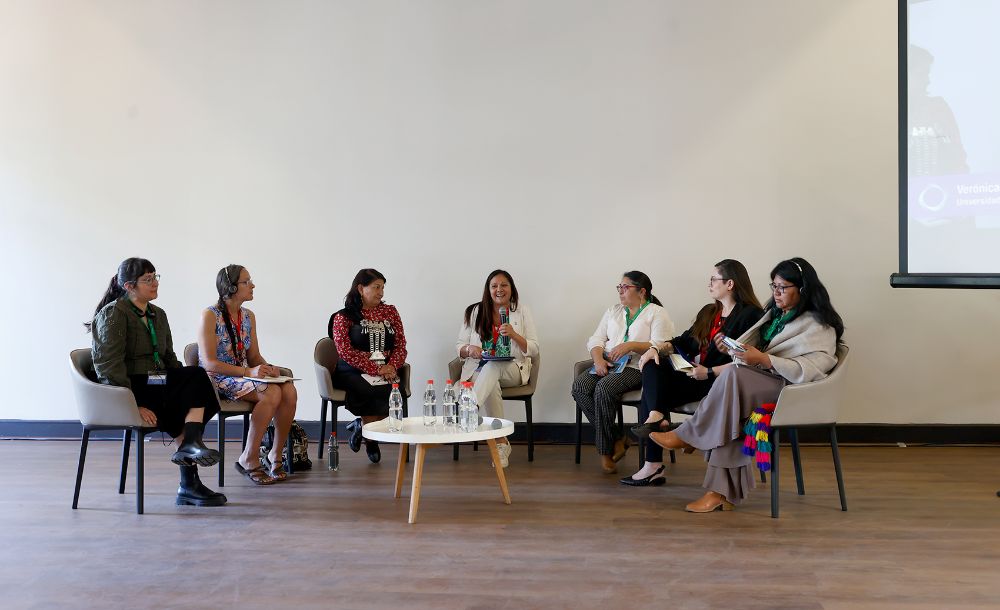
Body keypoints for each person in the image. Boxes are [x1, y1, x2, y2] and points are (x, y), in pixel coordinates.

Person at [649, 257, 844, 513]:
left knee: (732, 379)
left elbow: (814, 368)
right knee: (731, 410)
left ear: (803, 289)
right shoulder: (775, 316)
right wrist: (733, 348)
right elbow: (754, 351)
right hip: (757, 380)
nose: (776, 292)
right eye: (773, 286)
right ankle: (719, 493)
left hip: (789, 391)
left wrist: (763, 358)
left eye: (782, 287)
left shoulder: (819, 325)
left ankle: (689, 435)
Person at [88, 258, 226, 507]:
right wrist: (130, 406)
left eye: (155, 277)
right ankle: (189, 473)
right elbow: (108, 366)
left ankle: (190, 461)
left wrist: (182, 384)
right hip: (132, 385)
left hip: (155, 380)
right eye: (147, 280)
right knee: (193, 381)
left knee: (194, 380)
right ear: (129, 286)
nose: (154, 284)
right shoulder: (114, 314)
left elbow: (169, 358)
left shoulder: (157, 314)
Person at [622, 259, 763, 487]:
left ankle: (653, 464)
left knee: (654, 393)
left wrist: (707, 372)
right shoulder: (710, 312)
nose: (709, 284)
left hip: (720, 381)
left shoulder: (751, 315)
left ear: (730, 284)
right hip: (695, 375)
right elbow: (683, 342)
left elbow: (748, 361)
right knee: (652, 365)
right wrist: (655, 348)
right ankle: (657, 418)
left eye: (713, 279)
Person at [197, 265, 298, 485]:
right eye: (247, 281)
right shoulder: (209, 315)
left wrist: (268, 368)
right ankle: (249, 458)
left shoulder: (248, 316)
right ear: (232, 287)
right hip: (216, 379)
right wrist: (247, 372)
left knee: (288, 389)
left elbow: (253, 356)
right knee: (270, 393)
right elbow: (209, 362)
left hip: (243, 375)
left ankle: (274, 455)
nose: (252, 285)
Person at [571, 271, 674, 474]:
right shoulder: (613, 311)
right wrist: (598, 359)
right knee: (580, 387)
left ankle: (605, 451)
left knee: (603, 388)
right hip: (608, 362)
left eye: (625, 287)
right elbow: (596, 339)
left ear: (641, 291)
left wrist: (631, 345)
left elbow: (663, 345)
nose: (620, 291)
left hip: (636, 366)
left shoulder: (656, 312)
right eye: (619, 287)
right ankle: (618, 438)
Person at [456, 270, 540, 468]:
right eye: (494, 286)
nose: (499, 290)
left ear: (511, 289)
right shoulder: (475, 311)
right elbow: (459, 346)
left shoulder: (522, 311)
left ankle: (468, 410)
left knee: (493, 366)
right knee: (490, 378)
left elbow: (534, 348)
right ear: (488, 290)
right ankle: (501, 443)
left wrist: (514, 335)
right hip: (480, 371)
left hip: (513, 370)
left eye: (504, 285)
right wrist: (469, 349)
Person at [328, 268, 408, 464]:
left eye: (382, 287)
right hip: (352, 370)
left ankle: (361, 427)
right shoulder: (343, 316)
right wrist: (376, 369)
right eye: (376, 287)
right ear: (361, 289)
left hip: (386, 369)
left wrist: (391, 366)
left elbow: (400, 344)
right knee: (368, 389)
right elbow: (344, 351)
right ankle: (371, 440)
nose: (381, 292)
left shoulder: (390, 311)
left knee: (394, 391)